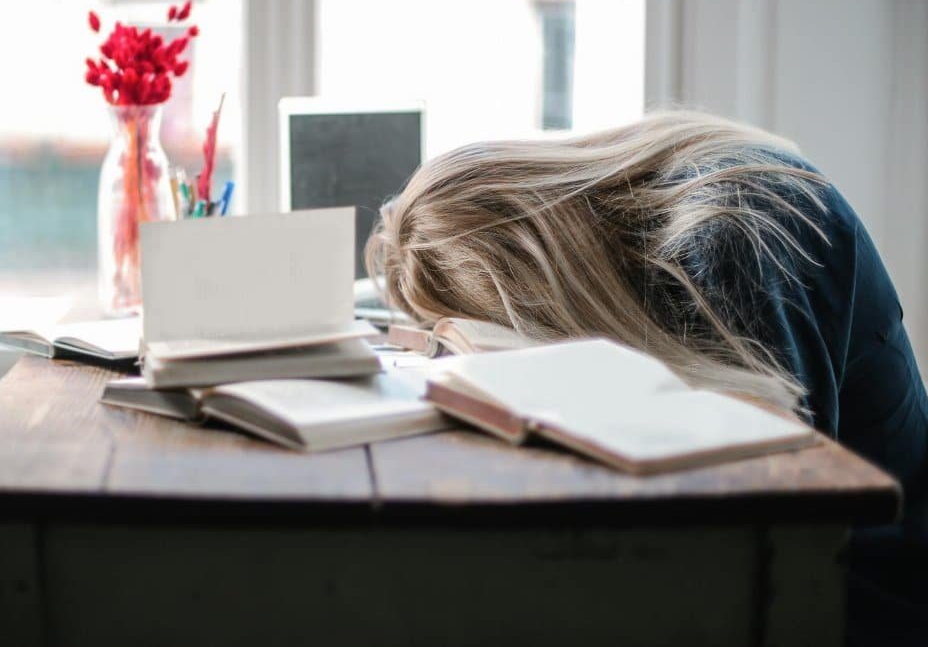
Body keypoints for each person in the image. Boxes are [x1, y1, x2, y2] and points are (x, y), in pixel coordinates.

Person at [366, 110, 926, 644]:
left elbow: (769, 520)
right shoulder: (666, 210)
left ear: (531, 285)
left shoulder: (733, 230)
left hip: (873, 594)